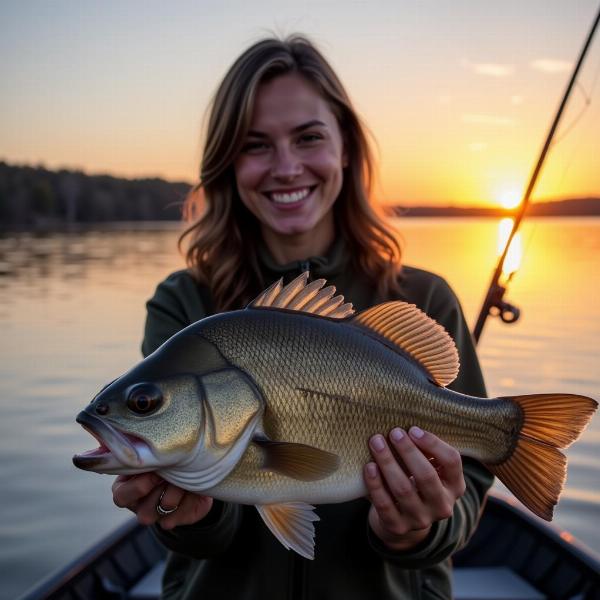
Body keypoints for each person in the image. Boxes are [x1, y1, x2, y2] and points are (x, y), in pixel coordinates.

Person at [111, 35, 493, 600]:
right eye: (256, 145)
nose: (287, 167)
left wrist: (415, 529)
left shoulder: (423, 298)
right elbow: (195, 527)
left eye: (308, 137)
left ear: (345, 146)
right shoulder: (185, 302)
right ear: (227, 162)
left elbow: (469, 485)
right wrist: (188, 513)